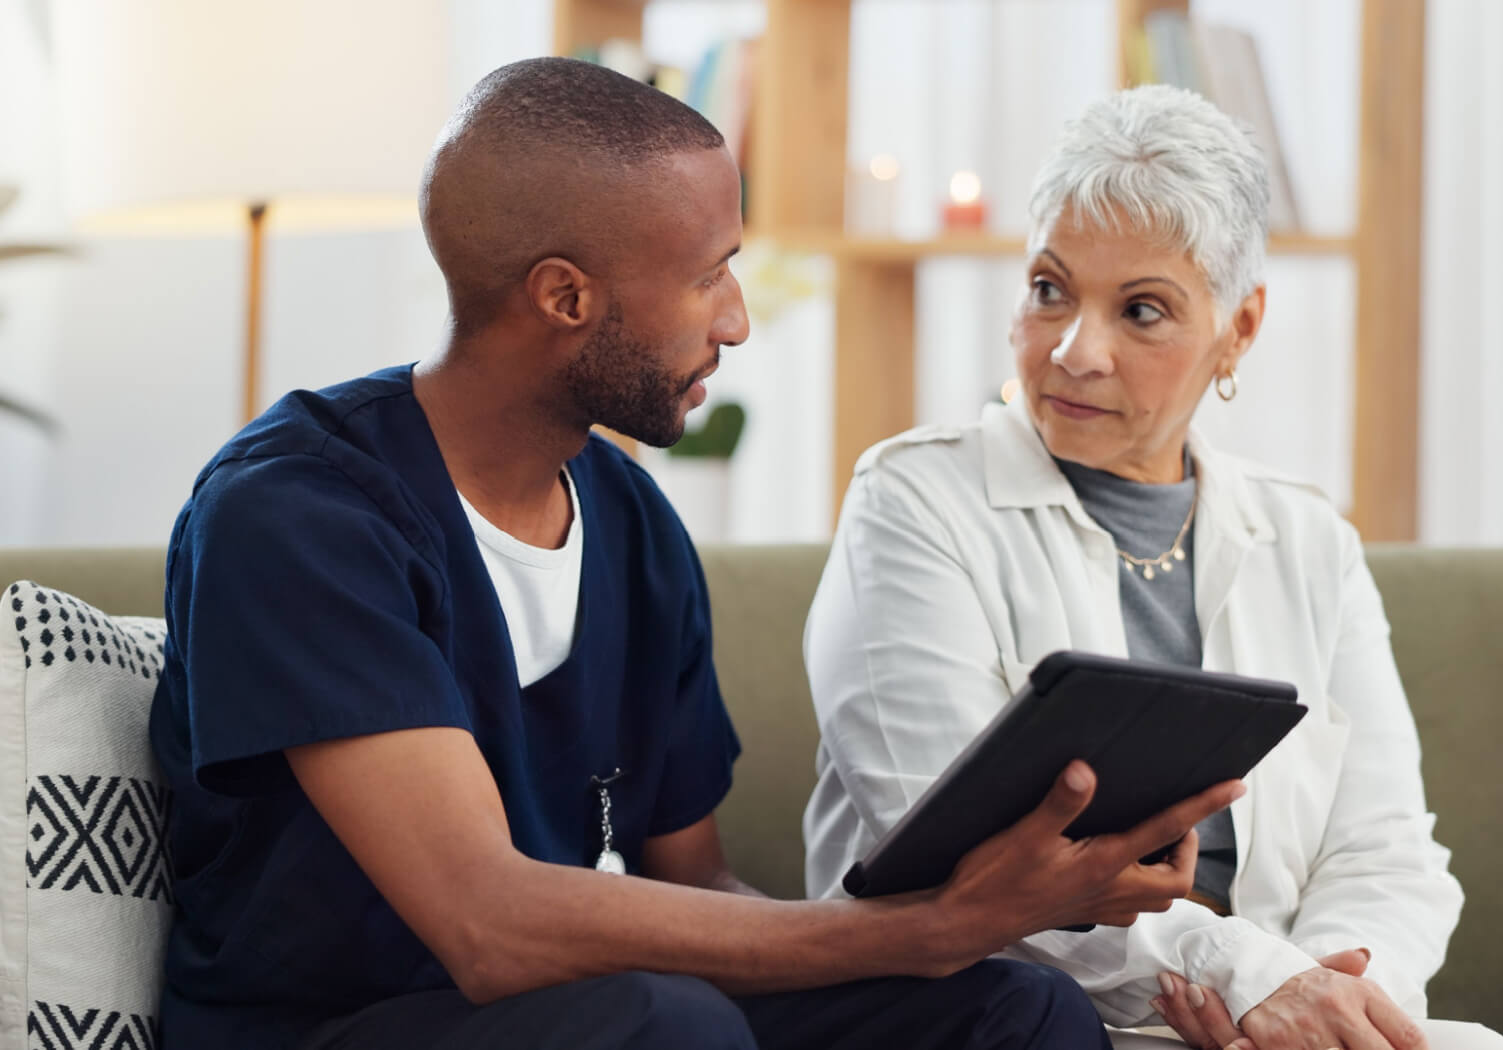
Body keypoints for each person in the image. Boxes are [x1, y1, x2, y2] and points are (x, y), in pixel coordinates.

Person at [147, 59, 1243, 1050]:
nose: (735, 321)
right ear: (565, 296)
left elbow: (698, 878)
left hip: (595, 1016)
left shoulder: (626, 518)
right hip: (336, 1031)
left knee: (1013, 1007)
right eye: (711, 274)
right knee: (666, 1026)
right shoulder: (296, 518)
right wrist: (923, 928)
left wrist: (972, 931)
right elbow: (489, 926)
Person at [801, 85, 1503, 1050]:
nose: (1073, 351)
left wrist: (1329, 1007)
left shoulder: (1309, 539)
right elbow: (965, 864)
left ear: (1240, 329)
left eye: (1141, 311)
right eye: (1050, 290)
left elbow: (1384, 849)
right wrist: (1249, 981)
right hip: (1005, 1013)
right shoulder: (913, 501)